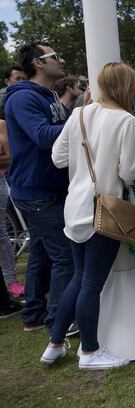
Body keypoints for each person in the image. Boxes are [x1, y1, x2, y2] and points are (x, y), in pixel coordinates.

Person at [42, 62, 135, 369]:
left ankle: (55, 343)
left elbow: (58, 157)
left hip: (75, 206)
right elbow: (128, 171)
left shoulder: (79, 114)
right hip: (104, 208)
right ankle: (89, 351)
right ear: (127, 86)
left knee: (80, 277)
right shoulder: (126, 120)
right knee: (91, 284)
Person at [3, 42, 74, 333]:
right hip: (37, 191)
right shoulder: (22, 99)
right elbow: (44, 136)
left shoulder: (48, 96)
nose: (61, 59)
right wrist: (84, 119)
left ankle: (32, 314)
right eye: (54, 56)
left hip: (46, 186)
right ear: (38, 63)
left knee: (42, 253)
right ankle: (60, 320)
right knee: (65, 256)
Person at [0, 65, 26, 299]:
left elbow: (10, 155)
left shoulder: (2, 124)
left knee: (1, 237)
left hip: (2, 182)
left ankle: (11, 280)